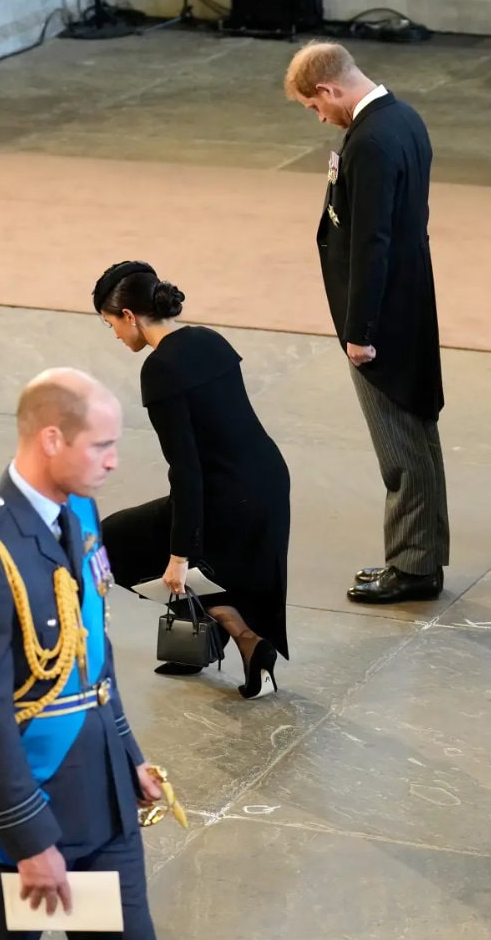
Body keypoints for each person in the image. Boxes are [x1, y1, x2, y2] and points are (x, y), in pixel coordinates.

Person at [0, 368, 160, 940]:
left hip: (102, 800)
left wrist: (128, 753)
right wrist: (31, 842)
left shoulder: (79, 511)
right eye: (102, 446)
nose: (113, 461)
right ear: (52, 439)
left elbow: (92, 653)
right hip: (30, 818)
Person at [284, 41, 449, 603]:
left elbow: (371, 241)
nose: (320, 117)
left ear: (329, 89)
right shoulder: (403, 119)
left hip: (383, 317)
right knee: (417, 434)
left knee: (400, 446)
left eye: (314, 107)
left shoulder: (371, 141)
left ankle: (412, 568)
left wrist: (361, 330)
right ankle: (422, 557)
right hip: (408, 302)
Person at [92, 261, 290, 699]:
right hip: (268, 480)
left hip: (225, 493)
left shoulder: (160, 369)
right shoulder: (208, 339)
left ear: (130, 316)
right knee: (200, 562)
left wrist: (180, 554)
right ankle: (212, 639)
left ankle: (246, 638)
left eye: (111, 325)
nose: (116, 336)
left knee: (109, 543)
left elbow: (186, 469)